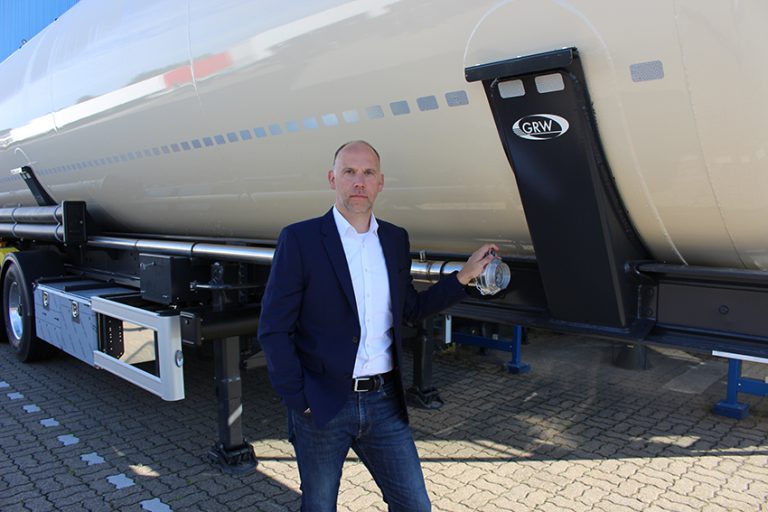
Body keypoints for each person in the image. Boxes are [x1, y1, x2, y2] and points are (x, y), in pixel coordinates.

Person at [258, 140, 499, 511]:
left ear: (380, 182)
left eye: (368, 173)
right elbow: (274, 327)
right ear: (332, 179)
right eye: (349, 172)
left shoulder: (394, 239)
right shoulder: (300, 239)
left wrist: (463, 276)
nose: (359, 181)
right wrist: (297, 398)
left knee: (414, 505)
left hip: (383, 401)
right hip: (323, 403)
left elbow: (411, 309)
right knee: (319, 506)